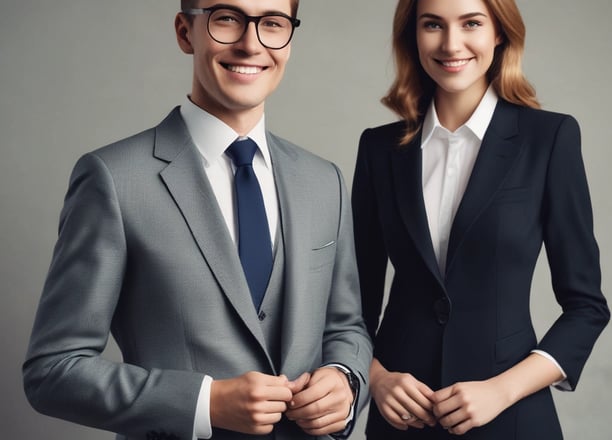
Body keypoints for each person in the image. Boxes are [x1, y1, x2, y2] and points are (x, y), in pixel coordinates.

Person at [22, 1, 372, 439]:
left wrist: (344, 379)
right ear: (186, 32)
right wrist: (205, 403)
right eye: (227, 18)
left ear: (289, 39)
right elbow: (52, 370)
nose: (251, 44)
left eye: (272, 24)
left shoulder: (325, 181)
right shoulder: (114, 179)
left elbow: (345, 325)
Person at [351, 0, 609, 438]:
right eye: (433, 25)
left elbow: (586, 308)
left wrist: (502, 391)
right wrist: (375, 378)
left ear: (499, 33)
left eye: (471, 23)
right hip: (403, 419)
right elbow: (351, 305)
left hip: (512, 418)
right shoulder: (379, 150)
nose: (452, 44)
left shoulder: (549, 139)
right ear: (413, 36)